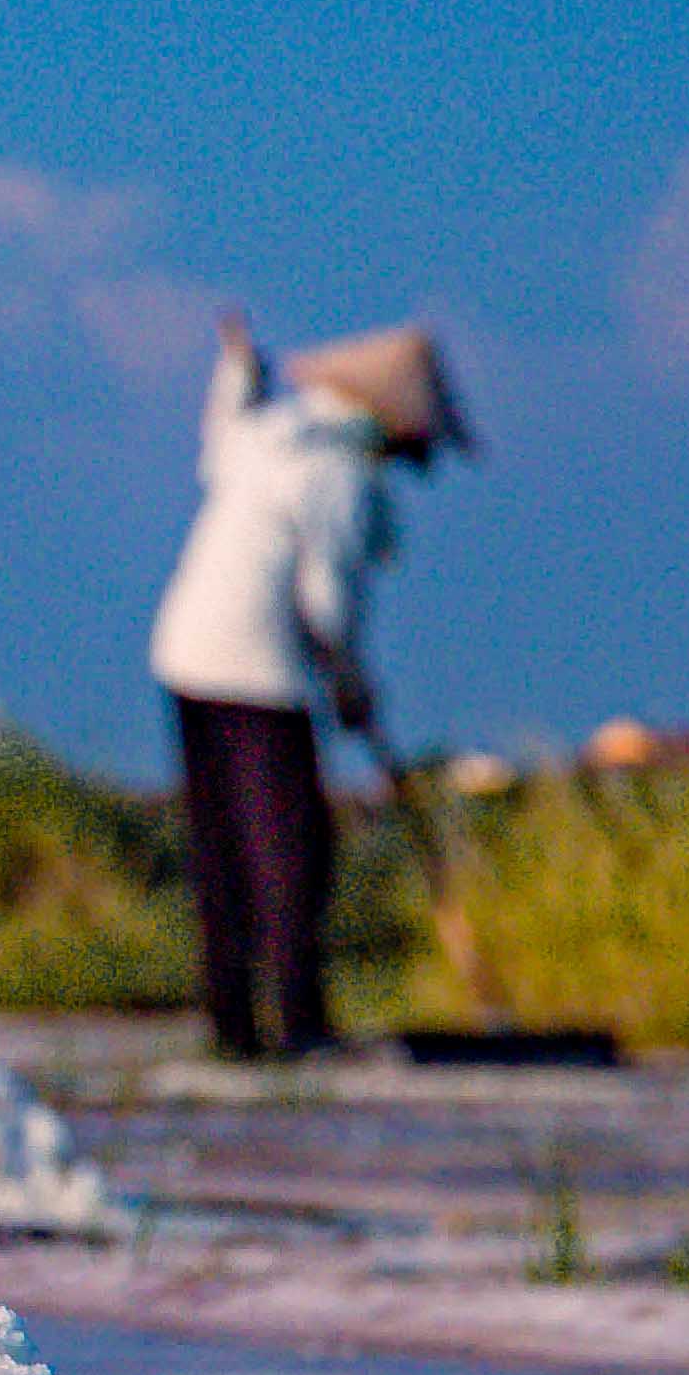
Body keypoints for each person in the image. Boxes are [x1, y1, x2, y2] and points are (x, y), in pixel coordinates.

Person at [144, 311, 465, 1059]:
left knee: (221, 847)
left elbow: (222, 433)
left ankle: (235, 1026)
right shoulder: (340, 474)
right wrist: (353, 686)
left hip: (187, 656)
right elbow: (326, 603)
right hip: (260, 674)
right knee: (292, 851)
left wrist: (237, 376)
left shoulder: (271, 435)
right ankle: (298, 1023)